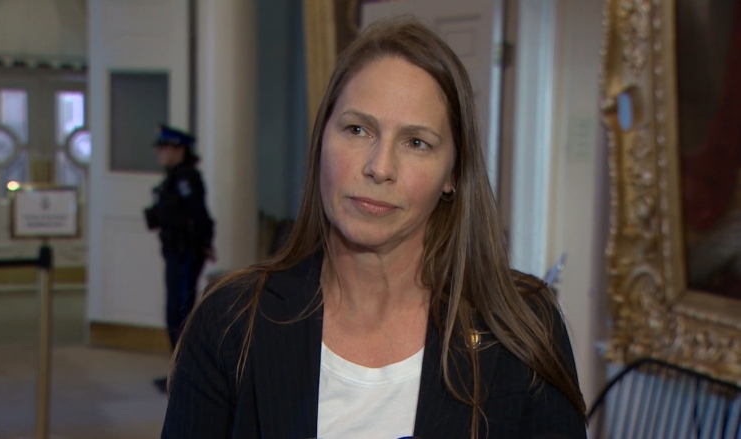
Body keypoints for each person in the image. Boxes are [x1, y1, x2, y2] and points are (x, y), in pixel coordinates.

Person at [162, 18, 586, 438]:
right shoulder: (229, 323)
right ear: (321, 142)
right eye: (357, 129)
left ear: (452, 174)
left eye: (416, 142)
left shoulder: (524, 330)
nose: (379, 167)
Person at [144, 124, 215, 392]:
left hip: (186, 253)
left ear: (179, 149)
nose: (160, 153)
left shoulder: (187, 179)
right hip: (174, 253)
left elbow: (199, 215)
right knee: (173, 312)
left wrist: (205, 243)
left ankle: (186, 374)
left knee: (181, 313)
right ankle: (178, 370)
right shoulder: (172, 179)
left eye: (165, 148)